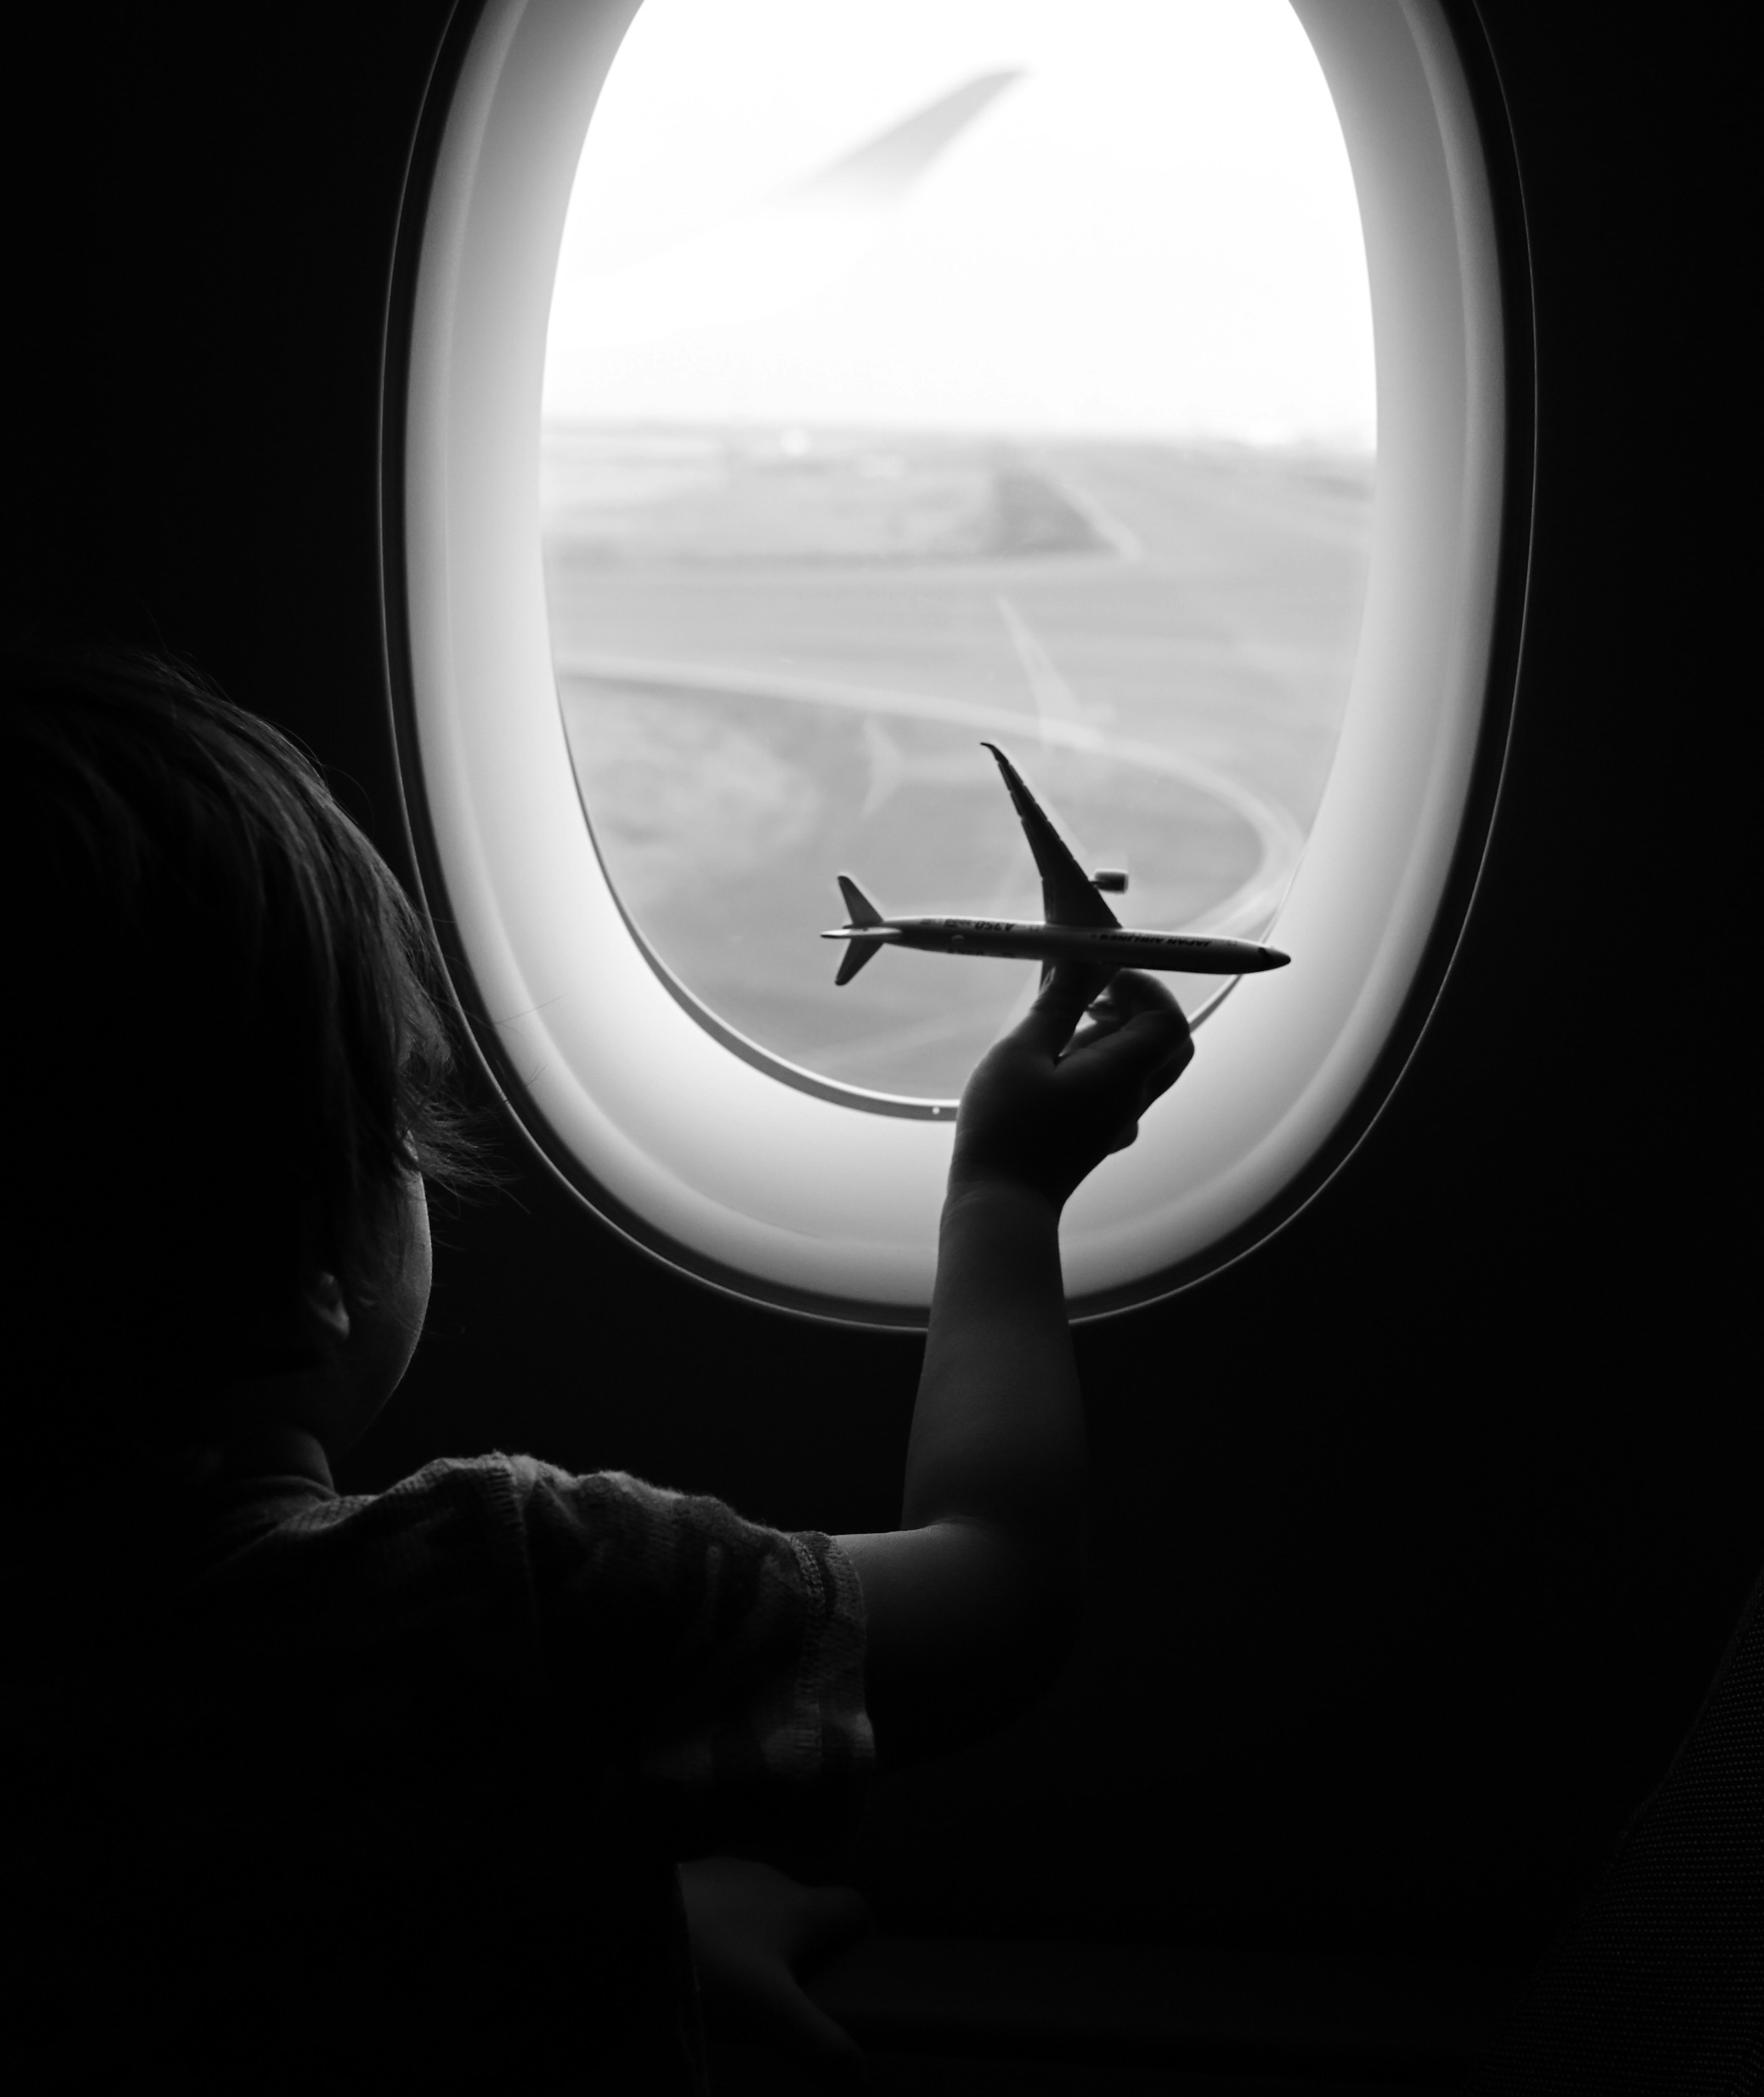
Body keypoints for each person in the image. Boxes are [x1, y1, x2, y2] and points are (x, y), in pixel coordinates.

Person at [2, 646, 1193, 2092]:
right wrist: (1007, 1195)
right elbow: (1003, 1588)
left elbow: (294, 1947)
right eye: (401, 1125)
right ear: (314, 1277)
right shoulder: (501, 1598)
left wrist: (615, 1929)